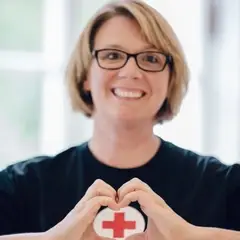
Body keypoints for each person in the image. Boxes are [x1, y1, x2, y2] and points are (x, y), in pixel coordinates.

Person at [0, 0, 240, 239]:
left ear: (170, 80)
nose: (131, 72)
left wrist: (191, 236)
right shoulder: (19, 187)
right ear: (85, 74)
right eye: (112, 55)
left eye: (150, 59)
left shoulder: (224, 186)